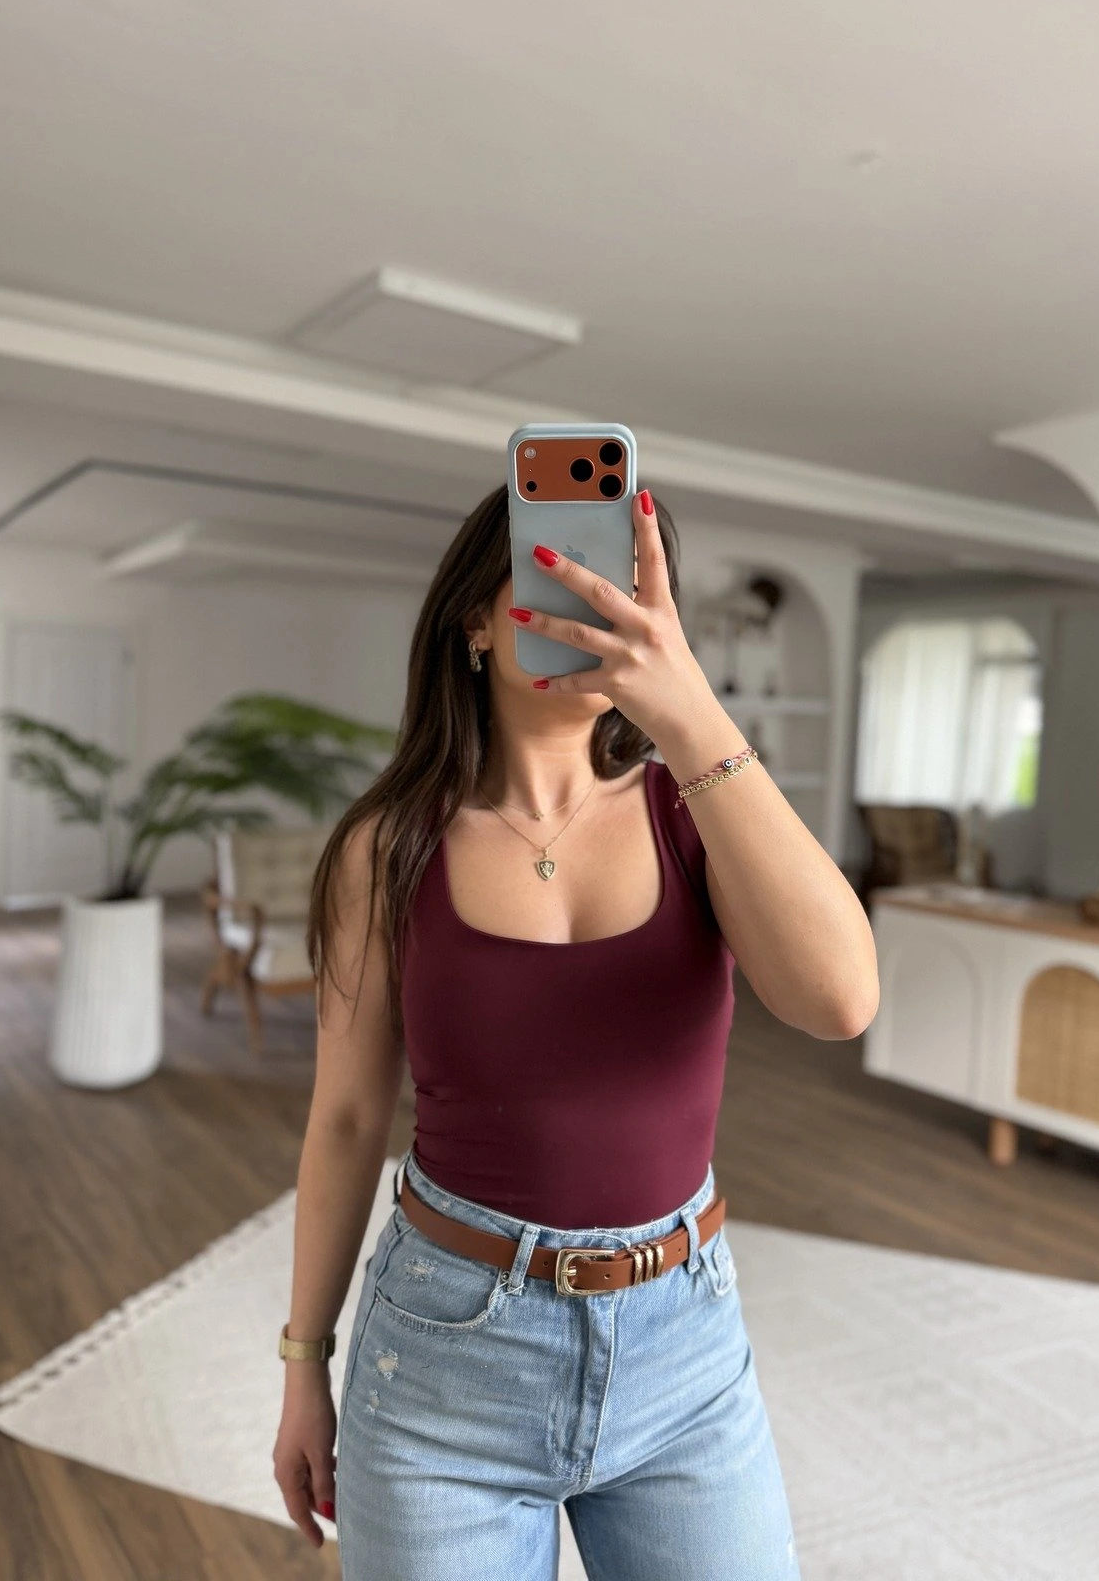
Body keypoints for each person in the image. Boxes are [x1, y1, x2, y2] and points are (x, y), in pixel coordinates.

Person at [272, 481, 879, 1579]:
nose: (595, 607)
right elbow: (350, 1116)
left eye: (624, 589)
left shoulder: (694, 809)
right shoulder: (388, 847)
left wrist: (693, 714)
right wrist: (303, 1362)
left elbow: (840, 1002)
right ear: (474, 619)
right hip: (443, 1361)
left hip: (683, 1351)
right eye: (558, 575)